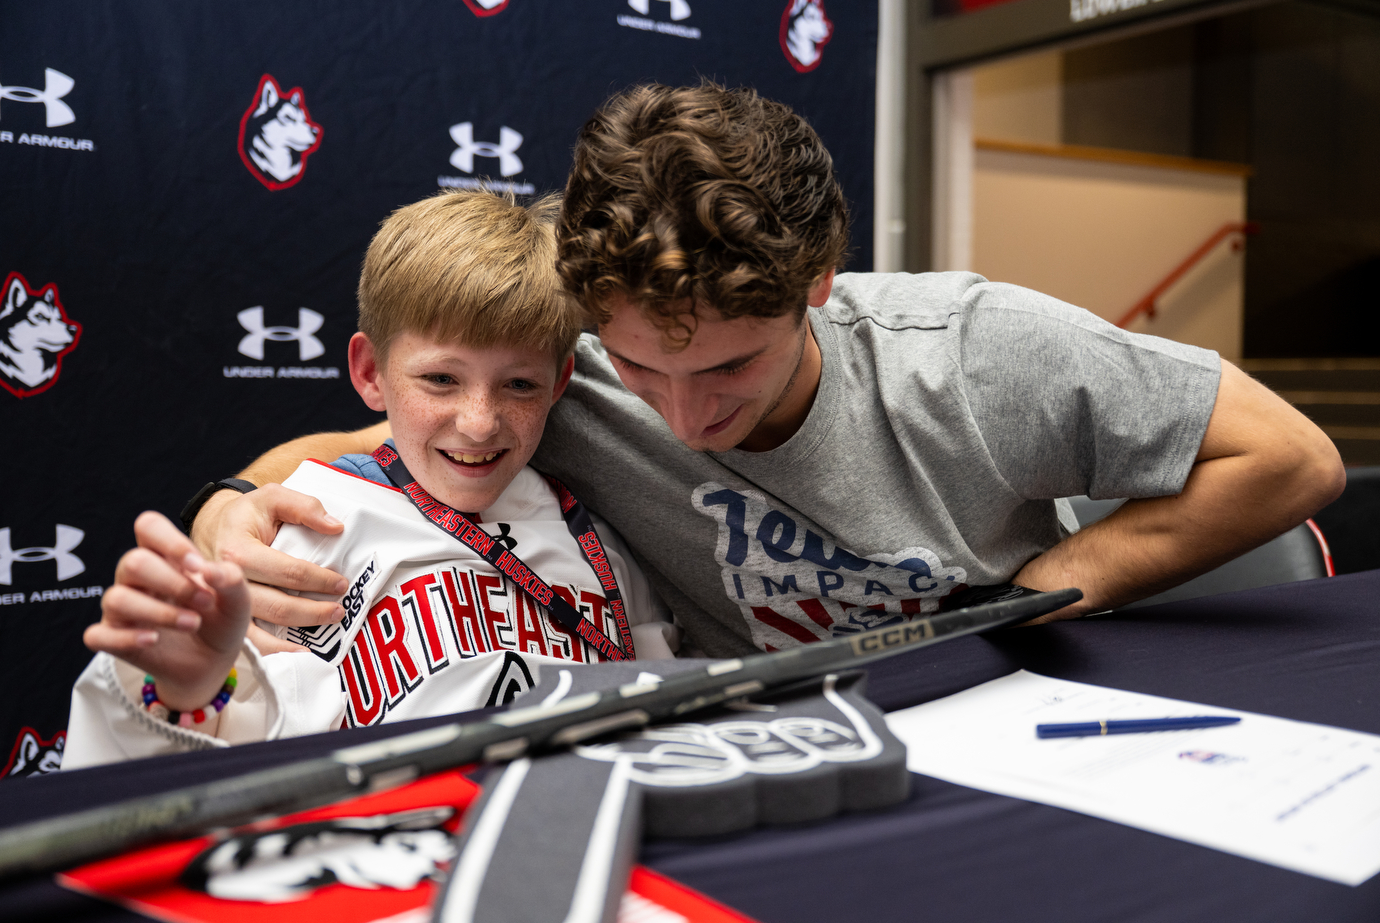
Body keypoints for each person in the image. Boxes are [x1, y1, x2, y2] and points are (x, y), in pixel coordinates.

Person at [187, 83, 1344, 662]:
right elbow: (355, 450)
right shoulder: (554, 375)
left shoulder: (973, 347)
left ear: (818, 282)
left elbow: (1293, 456)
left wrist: (1039, 587)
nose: (686, 417)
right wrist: (231, 510)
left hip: (1012, 698)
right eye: (642, 369)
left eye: (732, 364)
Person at [66, 190, 674, 768]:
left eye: (519, 384)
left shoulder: (603, 542)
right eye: (440, 379)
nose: (479, 422)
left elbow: (677, 731)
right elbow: (193, 758)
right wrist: (178, 695)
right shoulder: (303, 530)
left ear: (560, 383)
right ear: (370, 372)